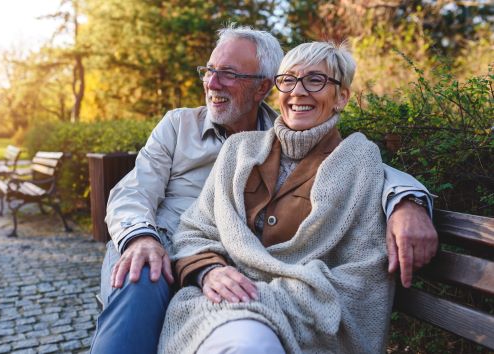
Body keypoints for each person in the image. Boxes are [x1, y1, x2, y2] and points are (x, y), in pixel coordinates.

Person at [90, 26, 437, 354]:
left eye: (229, 73)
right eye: (209, 70)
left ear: (262, 88)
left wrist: (408, 201)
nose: (213, 82)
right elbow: (133, 192)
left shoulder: (297, 137)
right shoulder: (184, 127)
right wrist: (142, 239)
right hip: (161, 247)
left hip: (230, 277)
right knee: (140, 277)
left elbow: (359, 165)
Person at [159, 40, 394, 353]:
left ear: (342, 97)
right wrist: (209, 270)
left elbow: (363, 273)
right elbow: (195, 230)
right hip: (216, 306)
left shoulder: (360, 161)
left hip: (302, 315)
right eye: (288, 80)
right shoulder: (238, 151)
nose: (298, 91)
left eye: (316, 80)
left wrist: (261, 297)